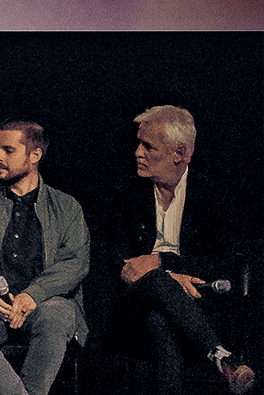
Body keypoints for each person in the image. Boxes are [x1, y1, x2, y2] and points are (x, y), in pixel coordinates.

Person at [107, 105, 254, 395]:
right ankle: (224, 358)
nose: (137, 152)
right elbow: (122, 265)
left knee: (161, 322)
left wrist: (162, 261)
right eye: (138, 143)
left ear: (180, 153)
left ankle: (219, 357)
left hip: (196, 306)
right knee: (158, 284)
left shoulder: (213, 196)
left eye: (148, 146)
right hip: (132, 308)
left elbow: (222, 262)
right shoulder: (125, 196)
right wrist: (170, 277)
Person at [0, 118, 89, 395]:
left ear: (35, 155)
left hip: (44, 303)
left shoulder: (67, 207)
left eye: (8, 150)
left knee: (57, 316)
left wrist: (35, 294)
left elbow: (74, 264)